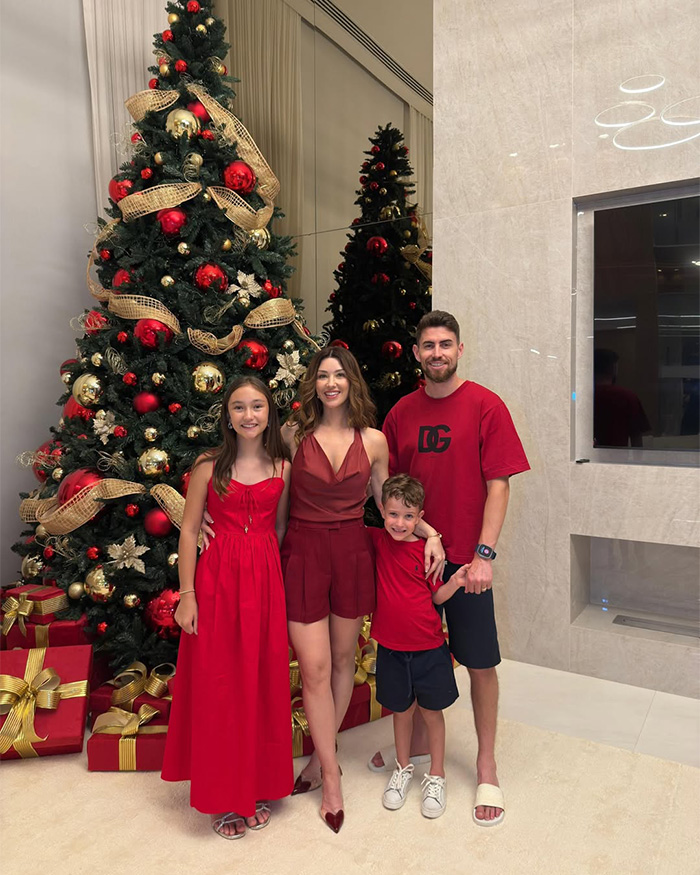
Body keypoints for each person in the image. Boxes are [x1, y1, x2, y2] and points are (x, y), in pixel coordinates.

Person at [369, 310, 530, 827]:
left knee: (480, 661)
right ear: (416, 353)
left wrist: (483, 555)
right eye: (427, 345)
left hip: (466, 560)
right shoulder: (400, 413)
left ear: (459, 350)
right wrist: (422, 535)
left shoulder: (486, 406)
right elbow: (390, 488)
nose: (436, 352)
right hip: (415, 557)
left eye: (446, 344)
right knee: (414, 650)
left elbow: (499, 485)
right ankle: (413, 743)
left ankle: (485, 761)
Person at [280, 346, 445, 834]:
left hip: (352, 554)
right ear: (314, 383)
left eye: (339, 375)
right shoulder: (292, 434)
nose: (332, 383)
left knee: (342, 662)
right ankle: (331, 775)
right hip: (304, 554)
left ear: (352, 382)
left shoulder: (372, 441)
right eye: (323, 375)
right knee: (313, 668)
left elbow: (387, 503)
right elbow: (279, 503)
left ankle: (316, 760)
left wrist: (429, 532)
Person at [162, 376, 294, 840]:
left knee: (259, 680)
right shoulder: (208, 467)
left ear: (269, 413)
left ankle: (255, 786)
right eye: (239, 407)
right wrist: (188, 594)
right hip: (216, 583)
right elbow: (188, 528)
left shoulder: (283, 466)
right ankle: (223, 797)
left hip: (264, 582)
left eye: (257, 406)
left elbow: (278, 529)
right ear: (228, 416)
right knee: (221, 684)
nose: (249, 415)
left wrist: (262, 567)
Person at [369, 474, 461, 820]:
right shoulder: (376, 541)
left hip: (428, 648)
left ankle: (436, 775)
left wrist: (456, 582)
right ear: (382, 511)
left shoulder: (428, 552)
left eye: (409, 517)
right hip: (391, 649)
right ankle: (403, 768)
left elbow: (436, 596)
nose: (399, 523)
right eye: (393, 514)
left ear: (420, 516)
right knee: (401, 712)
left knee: (432, 713)